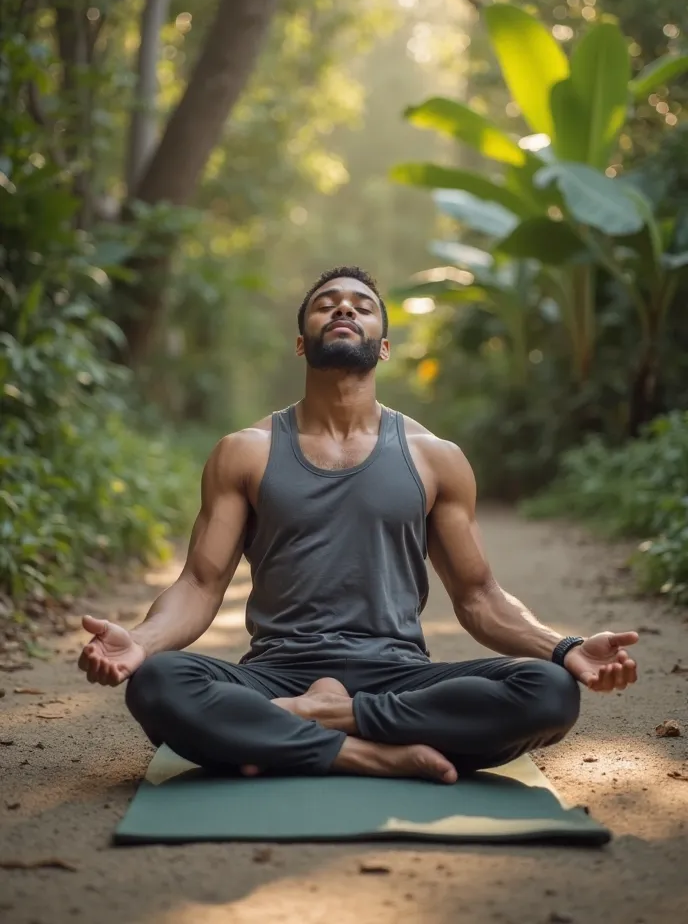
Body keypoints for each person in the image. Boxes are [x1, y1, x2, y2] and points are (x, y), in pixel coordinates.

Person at [77, 266, 639, 785]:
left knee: (547, 692)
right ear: (302, 342)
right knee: (158, 683)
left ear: (384, 345)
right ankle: (370, 753)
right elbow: (200, 586)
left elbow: (479, 597)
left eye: (362, 305)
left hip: (397, 677)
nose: (344, 309)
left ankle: (307, 727)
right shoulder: (244, 453)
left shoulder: (434, 457)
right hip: (277, 675)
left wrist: (563, 648)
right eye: (326, 304)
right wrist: (142, 644)